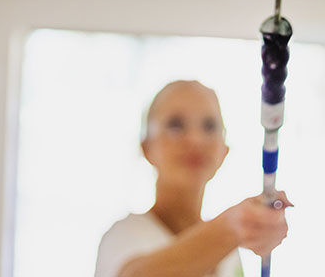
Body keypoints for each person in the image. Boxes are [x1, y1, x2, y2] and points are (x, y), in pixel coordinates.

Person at [94, 80, 292, 277]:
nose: (195, 140)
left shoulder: (230, 254)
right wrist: (231, 229)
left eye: (209, 126)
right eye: (175, 125)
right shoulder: (122, 236)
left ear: (224, 151)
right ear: (147, 148)